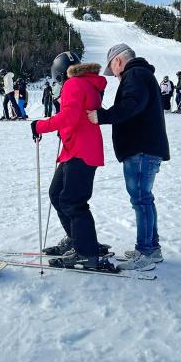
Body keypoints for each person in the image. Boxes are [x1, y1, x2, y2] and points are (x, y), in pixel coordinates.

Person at [88, 43, 170, 271]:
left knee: (141, 199)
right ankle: (151, 248)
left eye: (112, 69)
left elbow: (131, 105)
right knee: (145, 198)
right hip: (144, 147)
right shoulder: (141, 74)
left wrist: (101, 116)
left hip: (141, 148)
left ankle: (145, 252)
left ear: (118, 61)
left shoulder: (134, 74)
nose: (113, 74)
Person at [33, 51, 112, 271]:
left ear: (60, 75)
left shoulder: (74, 84)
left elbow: (70, 116)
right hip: (74, 149)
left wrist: (39, 126)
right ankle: (77, 239)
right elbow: (77, 115)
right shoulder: (85, 83)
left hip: (81, 151)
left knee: (73, 201)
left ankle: (86, 252)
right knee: (57, 194)